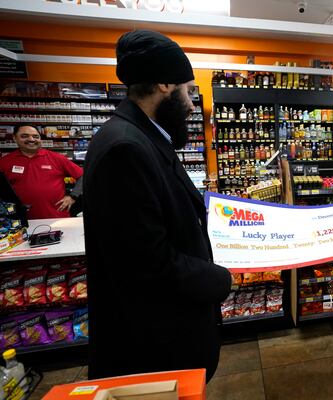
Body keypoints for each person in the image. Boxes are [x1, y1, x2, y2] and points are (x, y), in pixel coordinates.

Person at [83, 30, 231, 380]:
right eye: (190, 90)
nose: (193, 104)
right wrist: (220, 277)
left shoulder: (140, 138)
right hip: (154, 348)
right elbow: (148, 263)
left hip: (164, 338)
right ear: (165, 83)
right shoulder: (126, 149)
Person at [0, 124, 82, 219]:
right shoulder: (4, 162)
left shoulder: (56, 158)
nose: (31, 139)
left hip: (57, 217)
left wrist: (73, 196)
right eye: (24, 136)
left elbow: (83, 176)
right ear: (15, 138)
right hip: (20, 220)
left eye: (35, 136)